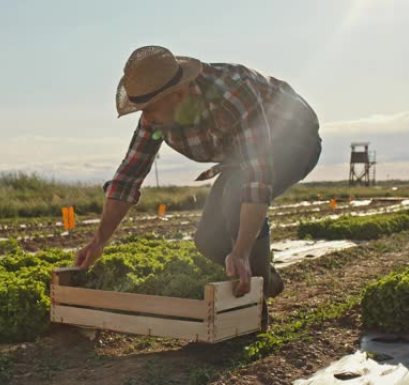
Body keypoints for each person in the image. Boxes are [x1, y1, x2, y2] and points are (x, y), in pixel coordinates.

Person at [74, 46, 321, 328]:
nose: (145, 118)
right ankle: (265, 279)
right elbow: (129, 176)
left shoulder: (232, 93)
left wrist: (240, 250)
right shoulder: (155, 118)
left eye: (150, 109)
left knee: (237, 197)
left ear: (179, 94)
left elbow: (256, 180)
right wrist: (99, 241)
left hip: (294, 137)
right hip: (241, 156)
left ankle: (252, 307)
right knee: (208, 240)